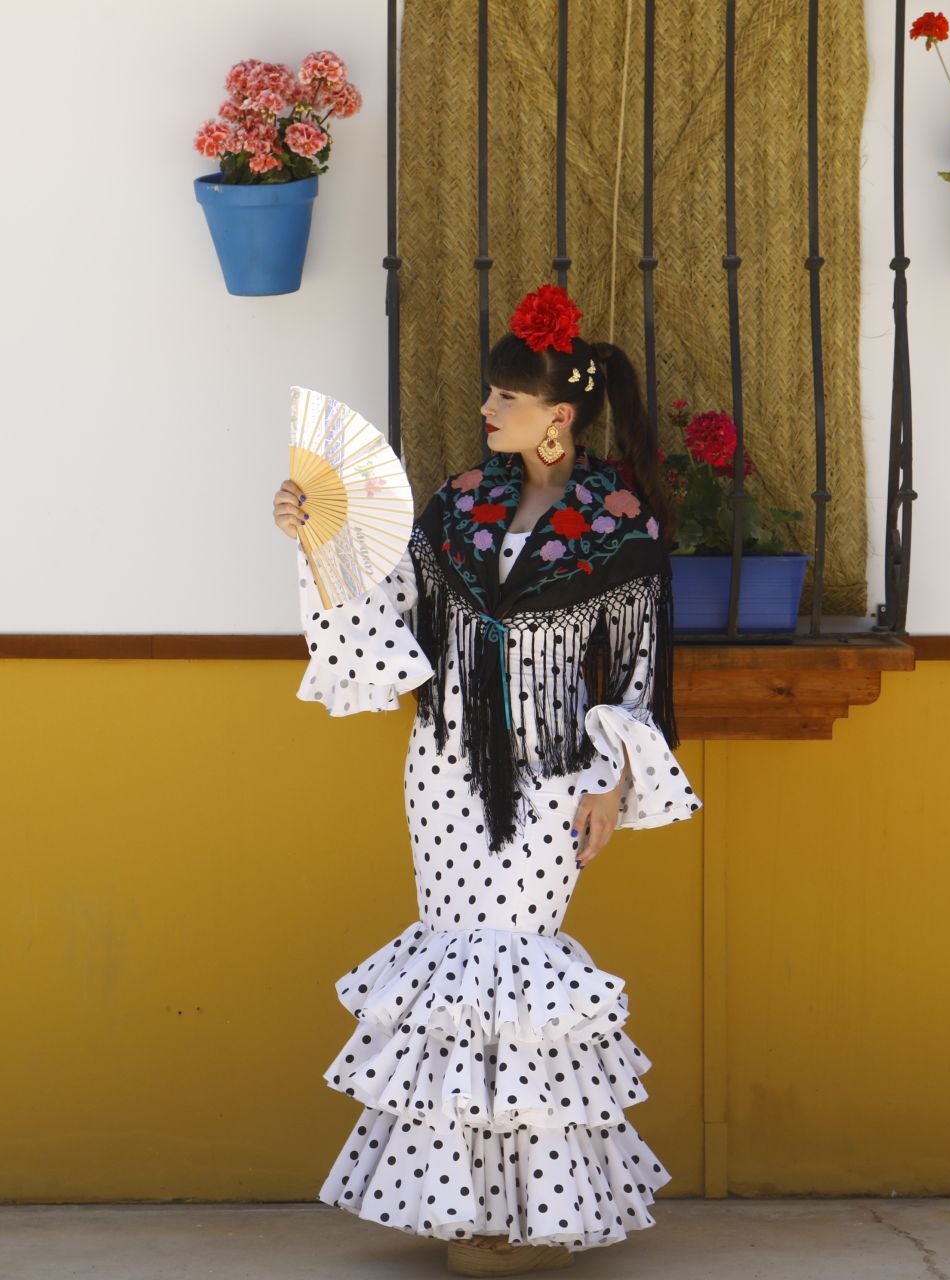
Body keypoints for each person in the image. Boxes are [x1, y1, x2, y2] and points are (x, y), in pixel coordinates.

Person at [272, 283, 701, 1275]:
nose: (484, 411)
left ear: (558, 416)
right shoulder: (459, 503)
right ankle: (468, 1210)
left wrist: (614, 783)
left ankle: (524, 1211)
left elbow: (641, 670)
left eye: (503, 398)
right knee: (453, 966)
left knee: (517, 963)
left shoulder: (619, 522)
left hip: (554, 775)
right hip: (443, 768)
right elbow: (392, 614)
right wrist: (317, 533)